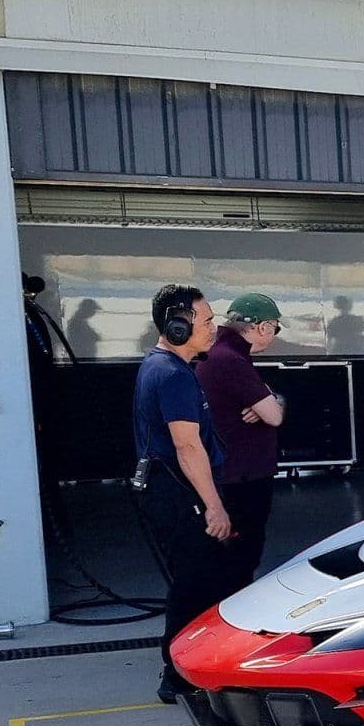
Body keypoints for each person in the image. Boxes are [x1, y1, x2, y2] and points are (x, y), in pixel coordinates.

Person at [132, 285, 230, 704]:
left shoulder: (165, 368)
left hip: (168, 491)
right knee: (193, 585)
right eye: (206, 321)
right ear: (177, 324)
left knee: (197, 582)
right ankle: (178, 675)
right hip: (178, 494)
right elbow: (187, 447)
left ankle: (188, 668)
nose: (214, 328)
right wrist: (214, 506)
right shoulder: (172, 375)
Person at [197, 293, 285, 597]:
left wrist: (268, 399)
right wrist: (272, 400)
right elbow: (273, 415)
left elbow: (267, 406)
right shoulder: (231, 361)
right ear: (261, 327)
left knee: (232, 558)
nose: (274, 334)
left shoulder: (221, 355)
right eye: (275, 327)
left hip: (232, 473)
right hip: (242, 477)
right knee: (241, 557)